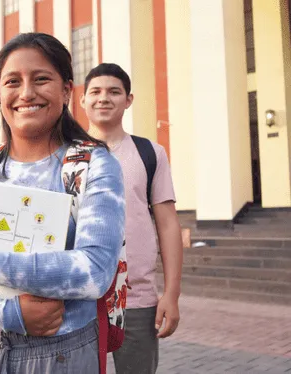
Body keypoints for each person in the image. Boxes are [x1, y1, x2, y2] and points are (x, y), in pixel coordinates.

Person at [0, 32, 125, 373]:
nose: (26, 93)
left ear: (66, 90)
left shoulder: (92, 165)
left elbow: (94, 271)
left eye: (41, 79)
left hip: (61, 356)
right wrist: (6, 313)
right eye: (12, 82)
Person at [82, 63, 183, 374]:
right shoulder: (68, 153)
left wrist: (171, 294)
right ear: (82, 100)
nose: (104, 98)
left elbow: (167, 224)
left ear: (128, 99)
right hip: (78, 298)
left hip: (136, 297)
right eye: (95, 92)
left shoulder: (150, 152)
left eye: (114, 91)